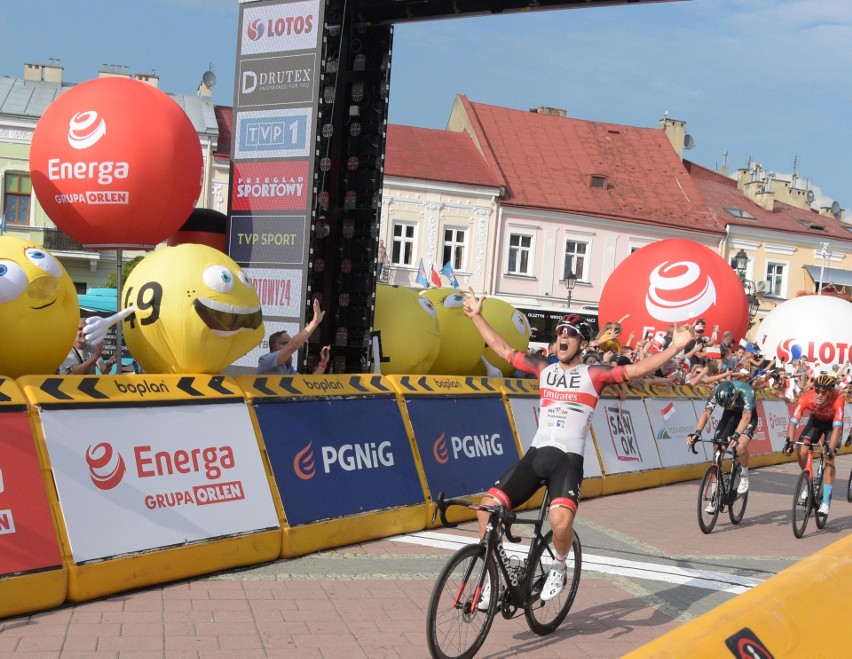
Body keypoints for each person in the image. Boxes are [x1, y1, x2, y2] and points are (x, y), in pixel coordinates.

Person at [462, 287, 694, 606]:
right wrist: (477, 316)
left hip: (567, 461)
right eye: (560, 333)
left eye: (570, 334)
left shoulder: (593, 373)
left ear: (582, 344)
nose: (563, 338)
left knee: (560, 522)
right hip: (536, 455)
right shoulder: (545, 368)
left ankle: (559, 565)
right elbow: (502, 349)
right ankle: (493, 577)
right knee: (487, 508)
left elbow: (637, 370)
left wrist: (675, 348)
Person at [687, 380, 756, 507]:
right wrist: (697, 432)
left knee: (740, 445)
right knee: (717, 449)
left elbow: (746, 417)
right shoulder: (716, 391)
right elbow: (706, 412)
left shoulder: (746, 391)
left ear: (735, 396)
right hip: (728, 417)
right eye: (725, 405)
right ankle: (714, 496)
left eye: (729, 404)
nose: (728, 406)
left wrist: (736, 435)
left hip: (747, 417)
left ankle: (745, 474)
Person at [783, 373, 844, 515]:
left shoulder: (838, 400)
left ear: (830, 393)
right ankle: (807, 479)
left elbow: (837, 429)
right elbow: (793, 422)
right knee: (802, 450)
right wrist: (789, 442)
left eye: (824, 392)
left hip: (832, 426)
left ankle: (826, 501)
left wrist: (829, 448)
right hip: (816, 422)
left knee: (829, 458)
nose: (820, 395)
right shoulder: (806, 397)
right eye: (817, 390)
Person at [257, 298, 329, 375]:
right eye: (288, 343)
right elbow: (293, 345)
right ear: (278, 346)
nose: (292, 351)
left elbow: (305, 384)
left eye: (290, 342)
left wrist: (323, 364)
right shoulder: (266, 360)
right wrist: (315, 322)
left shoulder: (288, 369)